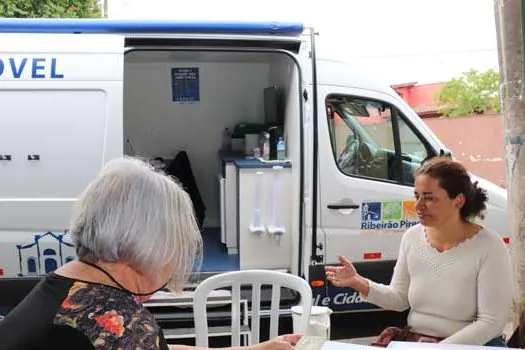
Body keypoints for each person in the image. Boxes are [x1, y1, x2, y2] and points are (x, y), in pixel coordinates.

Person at [0, 157, 301, 350]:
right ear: (151, 244)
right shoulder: (104, 316)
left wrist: (260, 349)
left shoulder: (68, 286)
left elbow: (158, 348)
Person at [325, 156, 513, 346]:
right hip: (416, 342)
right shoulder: (412, 237)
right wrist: (358, 282)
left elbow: (491, 323)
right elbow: (398, 299)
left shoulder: (489, 246)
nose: (418, 206)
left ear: (458, 201)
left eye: (429, 198)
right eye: (417, 196)